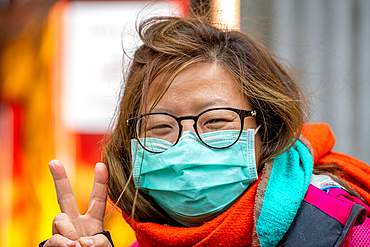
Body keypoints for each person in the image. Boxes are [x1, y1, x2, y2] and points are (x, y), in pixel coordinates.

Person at [41, 15, 370, 247]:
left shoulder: (345, 232)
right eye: (160, 126)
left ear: (265, 131)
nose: (186, 144)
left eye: (215, 121)